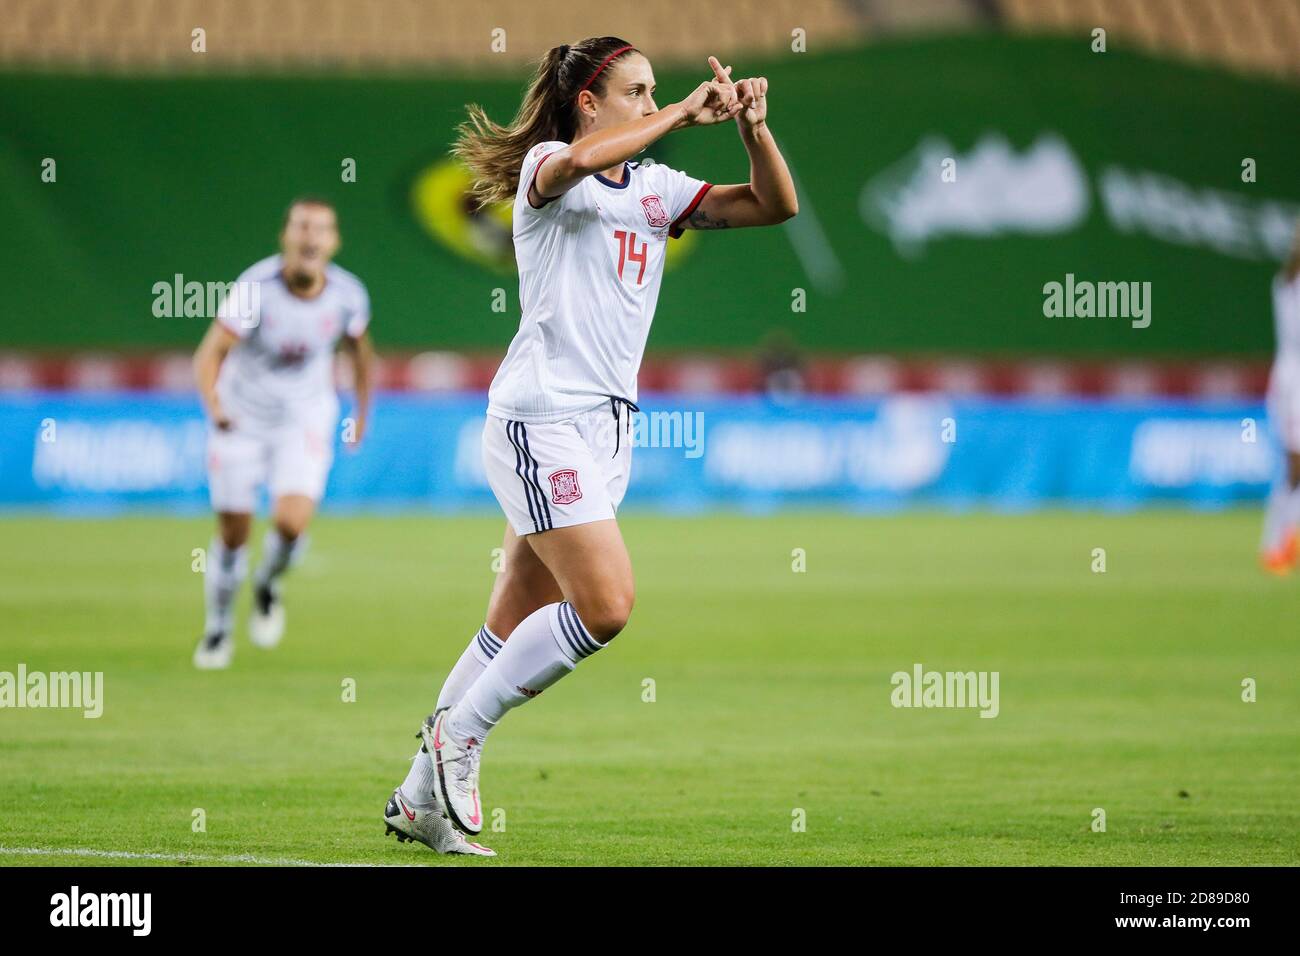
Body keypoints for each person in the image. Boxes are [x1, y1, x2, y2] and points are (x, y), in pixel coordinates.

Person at [381, 37, 797, 855]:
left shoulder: (655, 190)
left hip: (607, 426)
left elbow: (771, 206)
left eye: (655, 93)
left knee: (513, 616)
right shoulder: (550, 169)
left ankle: (417, 798)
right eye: (638, 93)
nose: (653, 103)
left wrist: (753, 127)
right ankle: (460, 736)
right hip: (542, 417)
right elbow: (575, 164)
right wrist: (682, 113)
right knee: (606, 606)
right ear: (589, 102)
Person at [191, 198, 373, 668]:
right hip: (242, 417)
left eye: (320, 229)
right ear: (286, 237)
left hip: (304, 417)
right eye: (301, 227)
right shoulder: (255, 288)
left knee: (291, 524)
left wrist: (363, 412)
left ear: (333, 242)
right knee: (234, 533)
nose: (310, 237)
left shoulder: (348, 295)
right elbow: (209, 354)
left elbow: (361, 355)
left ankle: (268, 583)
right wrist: (214, 407)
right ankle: (218, 627)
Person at [1260, 220, 1300, 574]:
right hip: (1293, 384)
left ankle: (1289, 538)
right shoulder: (1289, 282)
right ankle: (1274, 544)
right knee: (1294, 467)